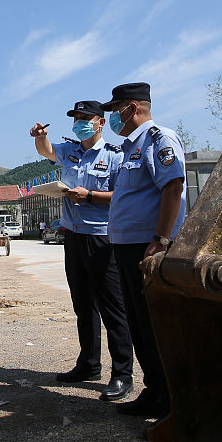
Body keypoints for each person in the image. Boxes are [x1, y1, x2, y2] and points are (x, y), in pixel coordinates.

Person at [30, 100, 134, 402]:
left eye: (84, 118)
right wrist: (39, 135)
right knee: (83, 305)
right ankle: (89, 364)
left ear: (100, 122)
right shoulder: (70, 150)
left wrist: (89, 196)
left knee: (112, 307)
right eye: (75, 118)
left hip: (102, 239)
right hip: (73, 237)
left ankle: (122, 373)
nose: (78, 122)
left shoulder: (115, 156)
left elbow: (122, 196)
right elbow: (47, 152)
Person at [102, 82, 186, 420]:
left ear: (132, 108)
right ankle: (155, 391)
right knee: (138, 322)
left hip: (147, 247)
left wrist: (162, 239)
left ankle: (171, 398)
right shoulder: (127, 149)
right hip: (125, 247)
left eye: (114, 111)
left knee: (155, 323)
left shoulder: (159, 140)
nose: (112, 118)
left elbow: (173, 186)